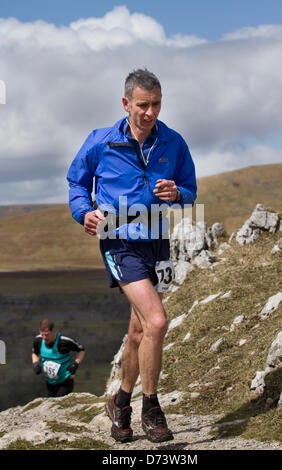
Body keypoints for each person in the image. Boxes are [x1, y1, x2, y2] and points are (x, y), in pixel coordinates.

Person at [67, 69, 197, 443]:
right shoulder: (100, 142)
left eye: (156, 104)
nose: (150, 112)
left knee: (139, 329)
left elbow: (190, 188)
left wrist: (179, 194)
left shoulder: (173, 142)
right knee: (156, 321)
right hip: (118, 239)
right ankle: (151, 408)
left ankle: (120, 402)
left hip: (156, 239)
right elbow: (77, 181)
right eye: (143, 105)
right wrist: (83, 211)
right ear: (126, 104)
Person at [32, 319, 85, 397]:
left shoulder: (64, 341)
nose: (44, 338)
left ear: (53, 330)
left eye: (46, 334)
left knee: (58, 404)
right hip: (50, 382)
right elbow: (35, 353)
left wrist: (76, 364)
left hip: (65, 381)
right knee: (51, 405)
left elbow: (81, 350)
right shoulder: (38, 340)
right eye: (42, 334)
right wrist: (36, 364)